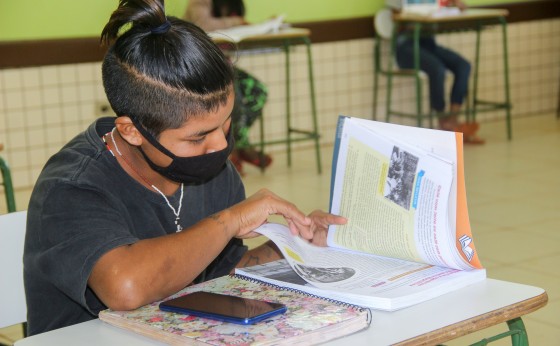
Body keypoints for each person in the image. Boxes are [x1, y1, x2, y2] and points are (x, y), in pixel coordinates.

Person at [23, 0, 346, 335]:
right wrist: (230, 220)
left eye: (225, 124)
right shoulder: (71, 186)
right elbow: (127, 288)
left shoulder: (211, 172)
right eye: (198, 138)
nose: (220, 146)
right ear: (131, 131)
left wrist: (293, 246)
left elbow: (218, 276)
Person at [185, 0, 273, 174]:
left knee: (258, 91)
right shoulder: (199, 3)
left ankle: (239, 145)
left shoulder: (234, 4)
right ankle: (234, 150)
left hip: (224, 67)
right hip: (200, 68)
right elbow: (203, 24)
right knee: (235, 98)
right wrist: (237, 22)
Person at [394, 0, 484, 144]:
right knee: (437, 69)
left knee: (463, 66)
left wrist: (452, 5)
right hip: (406, 46)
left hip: (428, 44)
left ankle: (453, 119)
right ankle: (443, 122)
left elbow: (443, 6)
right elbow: (395, 15)